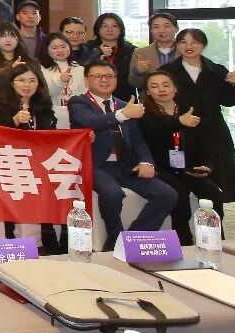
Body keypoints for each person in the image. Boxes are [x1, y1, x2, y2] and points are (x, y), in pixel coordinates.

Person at [68, 61, 177, 250]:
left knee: (167, 194)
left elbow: (137, 140)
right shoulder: (79, 102)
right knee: (112, 194)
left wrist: (147, 162)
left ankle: (133, 239)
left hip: (126, 164)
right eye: (98, 76)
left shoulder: (125, 105)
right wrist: (122, 114)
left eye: (109, 76)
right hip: (95, 165)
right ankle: (114, 238)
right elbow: (91, 121)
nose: (105, 80)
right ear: (86, 80)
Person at [137, 70, 225, 246]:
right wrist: (179, 122)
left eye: (166, 85)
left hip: (187, 167)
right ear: (147, 92)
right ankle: (184, 242)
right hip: (160, 168)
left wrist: (207, 164)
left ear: (175, 88)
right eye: (154, 86)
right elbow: (155, 130)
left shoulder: (188, 110)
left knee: (213, 192)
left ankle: (215, 240)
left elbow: (204, 142)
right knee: (179, 193)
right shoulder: (144, 113)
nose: (161, 89)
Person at [161, 28, 235, 203]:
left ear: (203, 45)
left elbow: (229, 101)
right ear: (177, 45)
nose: (188, 46)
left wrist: (233, 85)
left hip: (214, 131)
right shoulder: (167, 71)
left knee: (217, 187)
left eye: (195, 42)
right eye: (183, 42)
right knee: (185, 184)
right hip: (182, 130)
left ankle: (214, 218)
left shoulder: (217, 70)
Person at [0, 63, 59, 253]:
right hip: (8, 160)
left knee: (52, 179)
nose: (27, 85)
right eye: (21, 80)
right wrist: (14, 122)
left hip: (38, 160)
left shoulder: (43, 105)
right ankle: (10, 238)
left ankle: (48, 234)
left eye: (32, 80)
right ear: (12, 83)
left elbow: (53, 135)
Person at [0, 22, 45, 94]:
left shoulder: (30, 61)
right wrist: (11, 68)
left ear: (18, 38)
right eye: (3, 36)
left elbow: (42, 88)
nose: (8, 40)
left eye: (12, 36)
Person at [39, 31, 86, 129]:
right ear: (46, 50)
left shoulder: (79, 69)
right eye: (54, 48)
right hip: (51, 116)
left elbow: (85, 95)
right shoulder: (41, 69)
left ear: (69, 47)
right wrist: (60, 81)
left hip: (76, 116)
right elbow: (45, 94)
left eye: (63, 46)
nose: (60, 50)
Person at [85, 13, 137, 101]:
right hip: (93, 99)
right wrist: (97, 53)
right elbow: (82, 70)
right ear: (97, 29)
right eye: (105, 26)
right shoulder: (88, 48)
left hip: (124, 99)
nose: (109, 29)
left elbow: (136, 79)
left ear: (121, 29)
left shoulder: (131, 50)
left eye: (114, 26)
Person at [129, 10, 179, 94]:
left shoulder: (186, 51)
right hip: (151, 100)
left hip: (183, 98)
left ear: (176, 29)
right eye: (156, 27)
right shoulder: (140, 53)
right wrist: (138, 72)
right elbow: (134, 83)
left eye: (166, 26)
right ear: (151, 30)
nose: (161, 30)